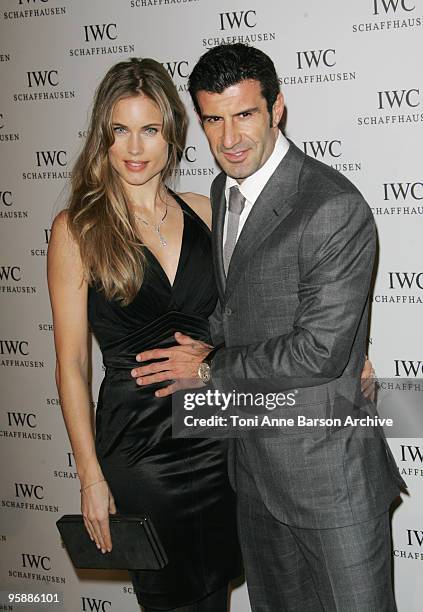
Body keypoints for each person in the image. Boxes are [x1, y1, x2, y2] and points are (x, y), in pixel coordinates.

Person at [131, 44, 405, 611]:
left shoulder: (330, 205)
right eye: (213, 119)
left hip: (330, 480)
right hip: (253, 475)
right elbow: (240, 310)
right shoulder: (220, 191)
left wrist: (207, 368)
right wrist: (204, 339)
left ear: (277, 108)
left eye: (245, 114)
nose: (229, 138)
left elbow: (320, 352)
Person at [47, 57, 242, 612]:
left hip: (216, 440)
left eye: (150, 129)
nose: (135, 148)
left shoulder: (208, 211)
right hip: (140, 449)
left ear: (172, 134)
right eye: (120, 130)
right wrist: (89, 474)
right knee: (172, 597)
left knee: (215, 593)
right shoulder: (79, 230)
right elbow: (71, 365)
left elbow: (245, 316)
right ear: (102, 138)